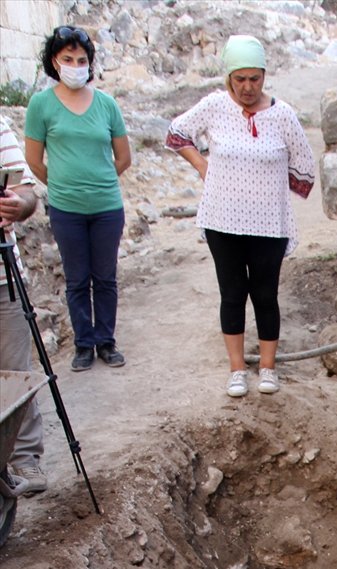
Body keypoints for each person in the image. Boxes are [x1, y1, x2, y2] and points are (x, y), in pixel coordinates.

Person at [166, 34, 315, 399]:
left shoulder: (282, 115)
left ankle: (267, 368)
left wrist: (271, 185)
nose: (247, 87)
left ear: (264, 76)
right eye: (239, 79)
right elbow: (176, 132)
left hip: (268, 223)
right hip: (222, 220)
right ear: (228, 78)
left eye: (254, 78)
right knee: (232, 294)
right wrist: (203, 166)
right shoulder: (215, 106)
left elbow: (304, 166)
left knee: (265, 295)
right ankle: (237, 370)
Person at [25, 24, 131, 372]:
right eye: (68, 58)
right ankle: (83, 345)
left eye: (81, 59)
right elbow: (34, 161)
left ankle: (106, 341)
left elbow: (123, 158)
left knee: (105, 278)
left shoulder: (106, 104)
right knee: (76, 279)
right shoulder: (41, 105)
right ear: (55, 61)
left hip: (106, 207)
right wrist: (62, 185)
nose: (75, 64)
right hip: (66, 208)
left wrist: (96, 181)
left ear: (90, 63)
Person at [0, 116, 46, 496]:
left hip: (2, 281)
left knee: (16, 370)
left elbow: (26, 190)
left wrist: (18, 205)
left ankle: (25, 456)